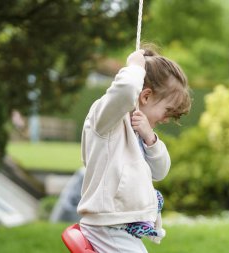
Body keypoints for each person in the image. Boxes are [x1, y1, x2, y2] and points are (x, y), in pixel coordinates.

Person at [77, 47, 192, 253]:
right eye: (168, 111)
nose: (167, 119)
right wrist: (135, 65)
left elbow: (160, 171)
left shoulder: (140, 129)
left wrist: (151, 139)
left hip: (117, 226)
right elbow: (127, 89)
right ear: (145, 96)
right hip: (105, 225)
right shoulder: (107, 118)